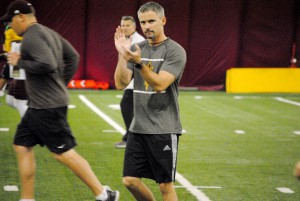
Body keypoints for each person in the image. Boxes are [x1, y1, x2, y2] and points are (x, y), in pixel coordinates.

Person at [1, 1, 119, 201]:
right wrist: (60, 83)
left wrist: (19, 61)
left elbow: (47, 63)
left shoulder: (31, 37)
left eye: (11, 20)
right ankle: (27, 198)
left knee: (63, 153)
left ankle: (104, 195)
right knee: (22, 145)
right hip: (40, 104)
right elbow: (73, 56)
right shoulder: (48, 32)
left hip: (47, 105)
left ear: (21, 16)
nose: (10, 26)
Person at [114, 2, 186, 201]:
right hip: (138, 128)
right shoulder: (137, 48)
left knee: (165, 186)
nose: (147, 26)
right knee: (130, 180)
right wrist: (122, 55)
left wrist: (138, 62)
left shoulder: (175, 51)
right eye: (143, 22)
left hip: (163, 129)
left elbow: (160, 84)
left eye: (151, 21)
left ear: (163, 21)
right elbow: (120, 83)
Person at [114, 16, 144, 149]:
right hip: (129, 82)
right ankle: (131, 137)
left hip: (136, 82)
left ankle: (130, 138)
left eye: (127, 25)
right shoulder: (124, 39)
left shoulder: (138, 41)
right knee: (129, 109)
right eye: (123, 25)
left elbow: (136, 64)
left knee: (126, 107)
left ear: (134, 27)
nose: (125, 28)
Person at [0, 22, 28, 117]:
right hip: (16, 62)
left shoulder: (18, 40)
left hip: (22, 68)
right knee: (10, 100)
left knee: (20, 102)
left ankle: (33, 126)